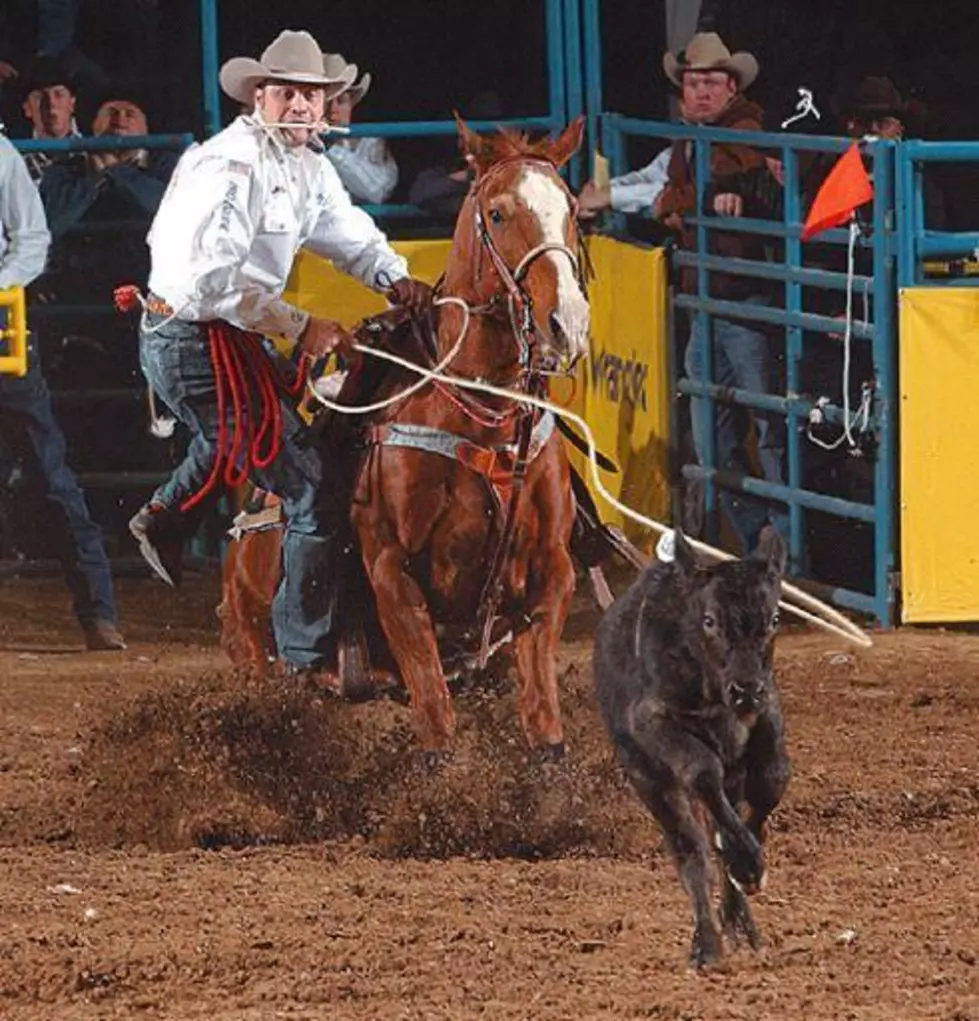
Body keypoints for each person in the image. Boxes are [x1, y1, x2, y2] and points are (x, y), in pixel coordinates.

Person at [128, 29, 431, 684]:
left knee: (263, 427)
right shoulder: (230, 167)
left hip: (222, 333)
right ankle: (303, 656)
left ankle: (162, 513)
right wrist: (301, 323)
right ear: (259, 97)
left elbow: (344, 231)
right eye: (287, 93)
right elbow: (211, 281)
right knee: (312, 482)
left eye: (311, 95)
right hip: (191, 338)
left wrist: (393, 276)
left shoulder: (306, 167)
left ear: (326, 102)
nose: (300, 105)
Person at [656, 32, 787, 554]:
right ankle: (764, 536)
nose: (702, 92)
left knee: (765, 425)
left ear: (731, 87)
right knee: (717, 434)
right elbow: (670, 201)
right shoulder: (692, 140)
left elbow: (698, 192)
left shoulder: (746, 130)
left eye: (712, 82)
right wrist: (697, 199)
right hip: (711, 301)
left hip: (743, 301)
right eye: (694, 82)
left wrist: (694, 199)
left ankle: (785, 545)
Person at [0, 133, 125, 650]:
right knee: (48, 467)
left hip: (2, 324)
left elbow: (30, 238)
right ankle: (97, 612)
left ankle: (99, 612)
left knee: (49, 469)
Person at [40, 89, 180, 239]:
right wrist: (94, 180)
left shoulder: (170, 165)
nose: (119, 118)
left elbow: (171, 213)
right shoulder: (64, 168)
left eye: (130, 114)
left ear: (145, 127)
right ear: (94, 124)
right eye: (111, 112)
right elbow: (51, 223)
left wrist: (116, 170)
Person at [320, 53, 398, 205]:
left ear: (351, 105)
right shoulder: (297, 143)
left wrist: (329, 148)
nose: (333, 110)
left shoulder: (370, 140)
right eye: (326, 102)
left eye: (341, 101)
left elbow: (377, 192)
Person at [15, 55, 83, 182]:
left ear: (72, 103)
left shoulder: (95, 157)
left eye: (59, 94)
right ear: (27, 108)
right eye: (40, 97)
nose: (51, 104)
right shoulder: (13, 163)